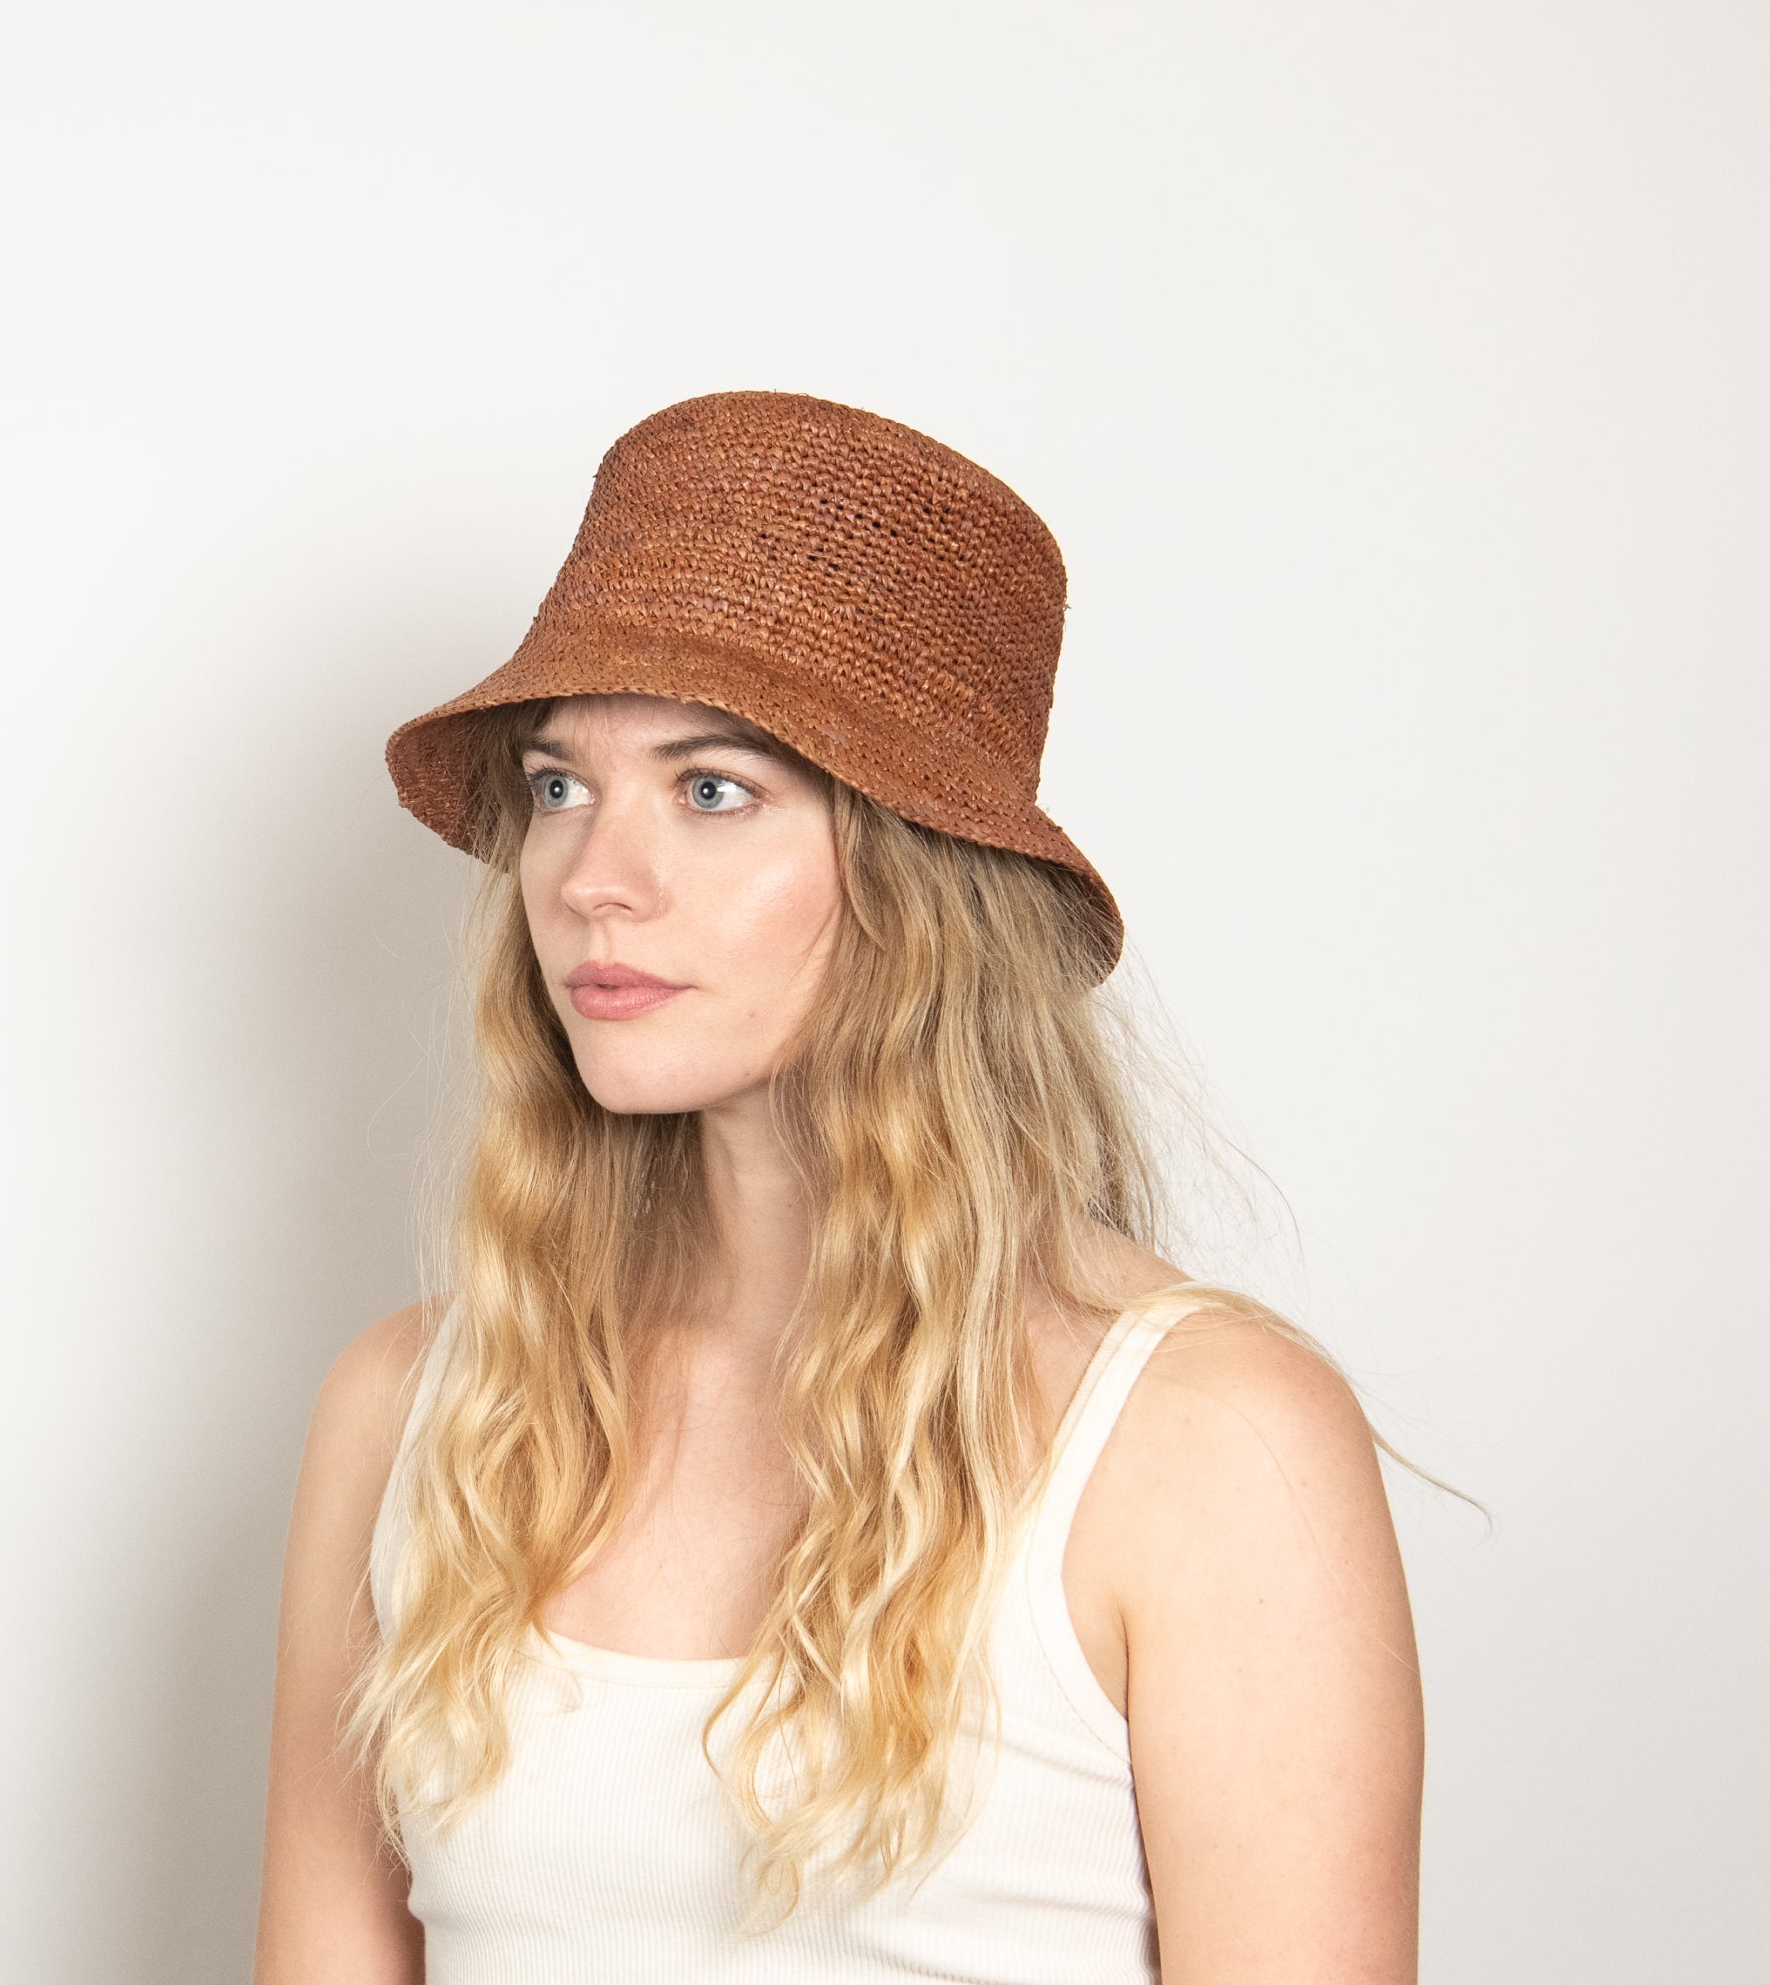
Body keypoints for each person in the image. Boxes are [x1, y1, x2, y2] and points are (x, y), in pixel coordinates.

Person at [252, 392, 1426, 1983]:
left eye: (714, 789)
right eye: (556, 787)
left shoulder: (1205, 1443)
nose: (594, 876)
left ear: (916, 876)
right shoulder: (414, 1411)